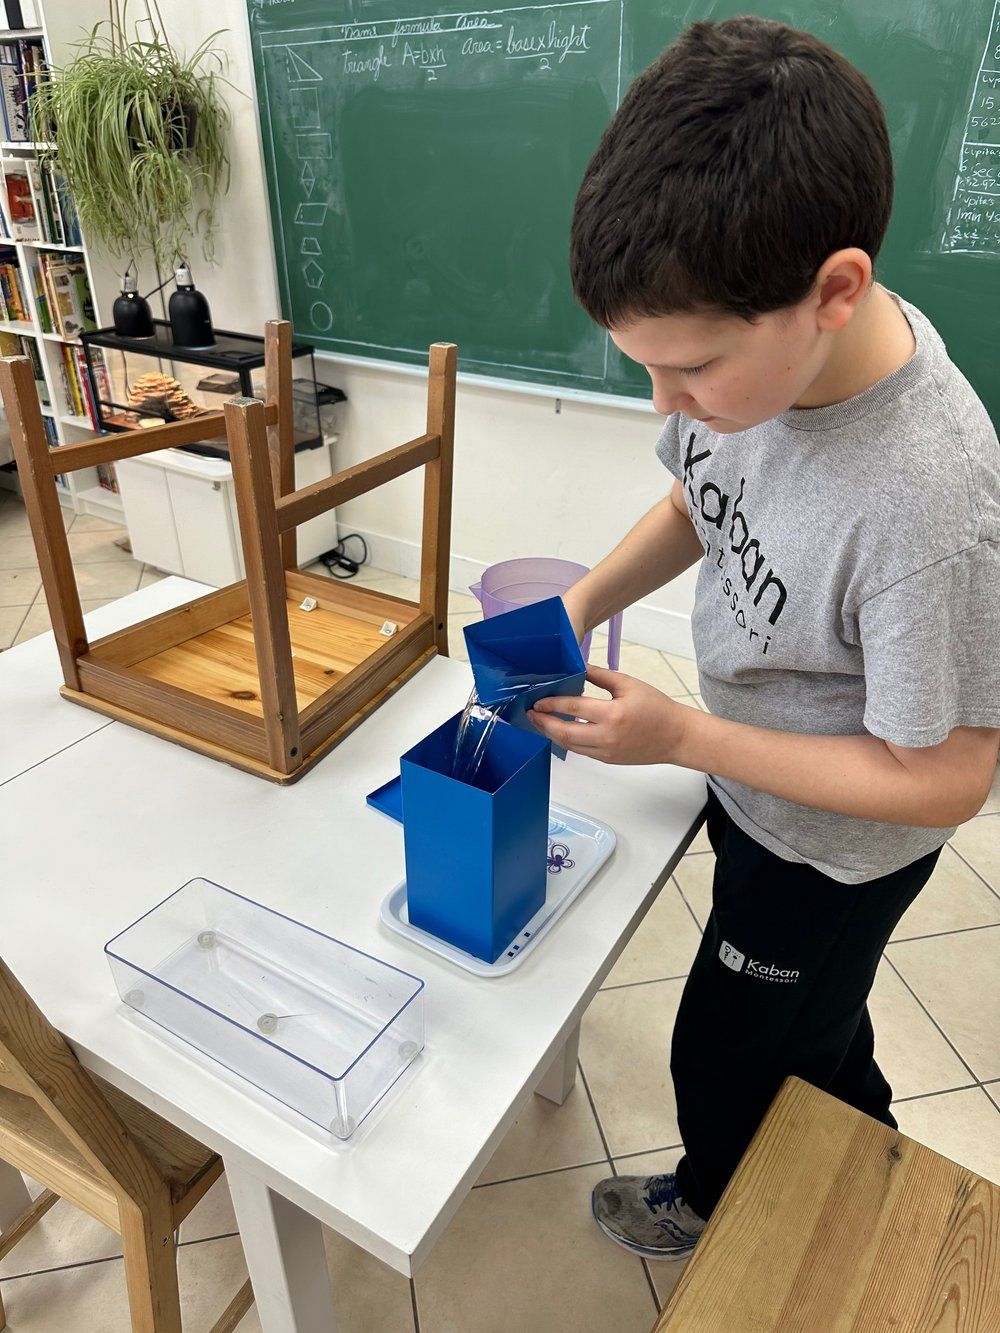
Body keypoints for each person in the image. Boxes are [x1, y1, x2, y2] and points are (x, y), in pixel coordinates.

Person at [527, 15, 1000, 1261]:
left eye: (689, 371)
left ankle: (713, 1203)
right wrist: (579, 601)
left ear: (831, 292)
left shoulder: (927, 501)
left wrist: (683, 731)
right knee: (817, 1034)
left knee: (729, 1049)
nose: (667, 405)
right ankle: (874, 1168)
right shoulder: (754, 370)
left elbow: (948, 777)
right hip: (754, 789)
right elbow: (697, 497)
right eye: (645, 370)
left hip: (839, 847)